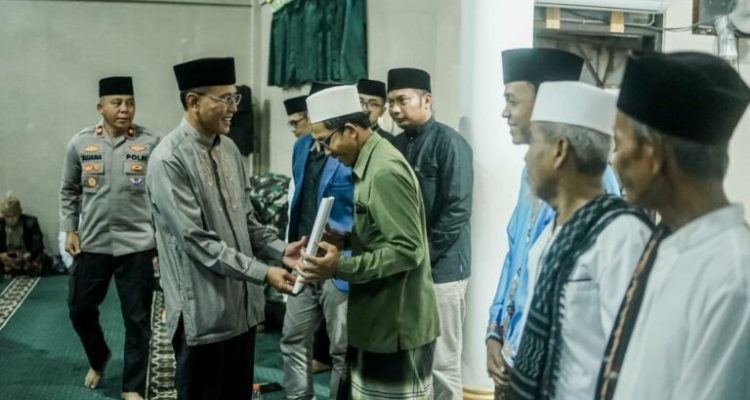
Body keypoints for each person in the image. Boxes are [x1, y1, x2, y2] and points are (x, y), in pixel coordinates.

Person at [146, 57, 304, 400]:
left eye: (236, 98)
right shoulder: (168, 160)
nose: (234, 109)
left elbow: (247, 220)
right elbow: (197, 242)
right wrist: (264, 273)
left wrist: (281, 250)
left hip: (242, 312)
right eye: (225, 99)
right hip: (203, 315)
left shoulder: (229, 149)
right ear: (193, 101)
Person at [595, 52, 750, 400]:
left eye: (618, 143)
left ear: (652, 155)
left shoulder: (735, 278)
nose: (614, 160)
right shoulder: (666, 247)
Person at [487, 48, 620, 398]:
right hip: (515, 358)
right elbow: (516, 256)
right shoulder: (532, 173)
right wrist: (495, 331)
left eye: (512, 100)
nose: (505, 112)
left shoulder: (598, 191)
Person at [506, 82, 652, 400]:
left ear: (559, 151)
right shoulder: (554, 232)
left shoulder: (621, 236)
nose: (527, 157)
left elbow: (635, 364)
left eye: (534, 143)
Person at [297, 85, 440, 399]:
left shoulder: (384, 170)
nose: (326, 152)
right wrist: (345, 238)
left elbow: (407, 251)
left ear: (350, 130)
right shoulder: (369, 162)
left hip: (396, 327)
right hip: (378, 321)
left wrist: (339, 266)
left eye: (326, 141)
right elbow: (382, 231)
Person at [59, 76, 158, 400]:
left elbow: (162, 194)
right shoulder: (80, 143)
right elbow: (69, 190)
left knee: (137, 321)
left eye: (130, 103)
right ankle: (99, 356)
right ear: (100, 107)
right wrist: (70, 229)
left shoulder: (151, 143)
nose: (125, 109)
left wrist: (161, 239)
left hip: (137, 245)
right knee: (79, 309)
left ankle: (132, 387)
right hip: (94, 242)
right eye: (117, 103)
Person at [388, 68, 473, 400]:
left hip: (443, 270)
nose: (395, 109)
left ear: (427, 100)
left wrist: (422, 255)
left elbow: (458, 210)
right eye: (390, 102)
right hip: (407, 268)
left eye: (402, 100)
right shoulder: (395, 145)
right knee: (410, 356)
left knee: (442, 362)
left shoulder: (450, 143)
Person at [281, 87, 354, 399]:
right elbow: (298, 198)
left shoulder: (351, 149)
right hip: (303, 259)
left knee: (341, 349)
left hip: (337, 262)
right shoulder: (300, 146)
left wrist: (345, 239)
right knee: (292, 338)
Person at [0, 196, 49, 276]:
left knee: (40, 259)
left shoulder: (31, 222)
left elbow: (38, 246)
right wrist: (1, 256)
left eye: (14, 216)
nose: (11, 220)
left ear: (20, 213)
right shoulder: (1, 225)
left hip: (26, 256)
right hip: (6, 258)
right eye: (7, 217)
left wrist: (24, 257)